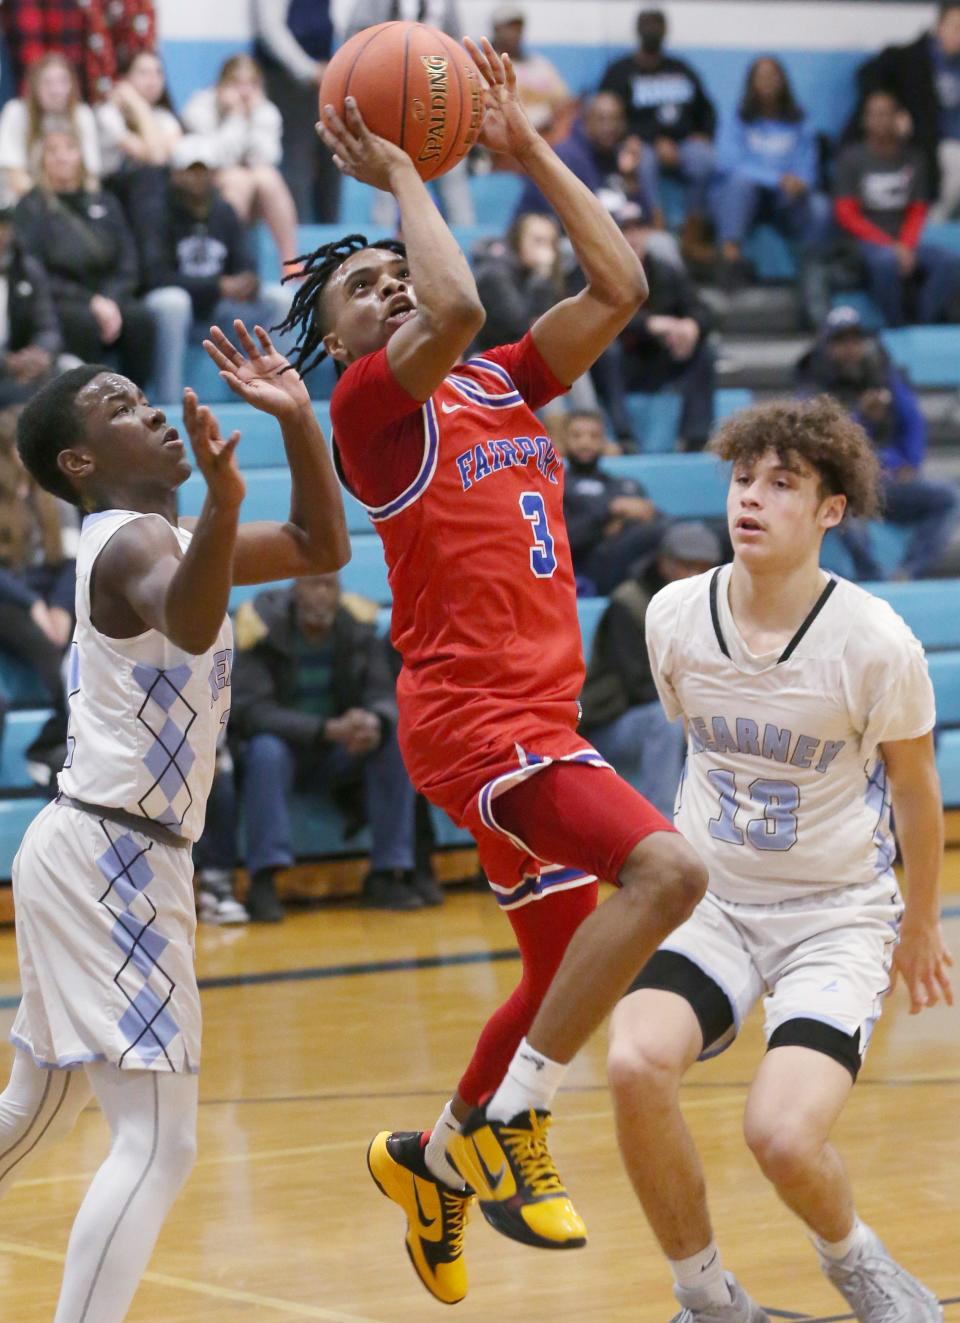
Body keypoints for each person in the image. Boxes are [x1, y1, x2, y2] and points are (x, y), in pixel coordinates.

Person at [292, 37, 706, 1305]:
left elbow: (620, 283)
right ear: (341, 337)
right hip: (478, 719)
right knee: (670, 872)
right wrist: (410, 177)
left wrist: (524, 146)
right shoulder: (372, 410)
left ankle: (430, 1158)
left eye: (389, 273)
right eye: (362, 287)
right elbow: (456, 302)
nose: (387, 290)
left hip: (538, 708)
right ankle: (510, 1121)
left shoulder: (502, 384)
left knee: (553, 967)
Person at [0, 318, 349, 1322]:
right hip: (113, 855)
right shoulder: (130, 543)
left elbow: (326, 546)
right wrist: (232, 494)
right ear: (79, 462)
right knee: (160, 1141)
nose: (150, 407)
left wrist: (297, 423)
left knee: (45, 1104)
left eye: (140, 394)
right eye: (118, 406)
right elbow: (189, 619)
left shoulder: (177, 542)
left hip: (100, 847)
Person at [607, 396, 952, 1323]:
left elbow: (918, 792)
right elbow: (690, 746)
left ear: (831, 510)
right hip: (714, 905)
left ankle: (860, 1262)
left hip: (834, 917)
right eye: (743, 478)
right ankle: (707, 1295)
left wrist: (920, 923)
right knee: (636, 1065)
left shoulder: (876, 642)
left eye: (782, 484)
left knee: (781, 1135)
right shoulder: (677, 614)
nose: (750, 500)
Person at [228, 573, 424, 919]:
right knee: (265, 750)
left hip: (339, 752)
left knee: (392, 739)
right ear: (293, 590)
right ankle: (263, 881)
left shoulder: (356, 628)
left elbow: (382, 693)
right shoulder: (261, 627)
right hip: (287, 750)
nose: (320, 595)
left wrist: (372, 721)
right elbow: (251, 712)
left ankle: (388, 874)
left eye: (328, 586)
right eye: (311, 584)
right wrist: (324, 729)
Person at [796, 304, 959, 580]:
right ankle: (872, 583)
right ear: (826, 346)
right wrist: (862, 417)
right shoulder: (813, 383)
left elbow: (913, 421)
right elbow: (818, 443)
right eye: (840, 341)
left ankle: (908, 574)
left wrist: (912, 461)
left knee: (949, 497)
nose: (850, 348)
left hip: (887, 480)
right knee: (841, 513)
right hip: (841, 485)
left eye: (854, 339)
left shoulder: (882, 374)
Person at [136, 135, 292, 405]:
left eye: (205, 172)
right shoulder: (157, 214)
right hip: (174, 312)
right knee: (174, 302)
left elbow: (246, 264)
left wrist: (247, 282)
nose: (198, 180)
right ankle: (169, 401)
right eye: (190, 172)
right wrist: (217, 286)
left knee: (281, 299)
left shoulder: (225, 212)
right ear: (175, 175)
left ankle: (277, 390)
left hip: (221, 311)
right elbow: (154, 276)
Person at [580, 520, 720, 818]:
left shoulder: (708, 607)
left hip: (678, 717)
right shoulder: (629, 603)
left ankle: (722, 826)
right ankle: (665, 826)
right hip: (613, 725)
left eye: (703, 568)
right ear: (663, 562)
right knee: (666, 718)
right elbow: (639, 687)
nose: (694, 575)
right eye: (686, 565)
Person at [13, 127, 157, 390]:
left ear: (81, 155)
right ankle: (86, 405)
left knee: (140, 318)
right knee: (81, 323)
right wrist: (90, 301)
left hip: (108, 294)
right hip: (60, 298)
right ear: (40, 160)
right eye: (52, 151)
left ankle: (139, 397)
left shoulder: (105, 200)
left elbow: (128, 262)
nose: (62, 157)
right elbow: (32, 269)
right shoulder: (31, 207)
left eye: (69, 149)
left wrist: (110, 299)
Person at [596, 201, 716, 451]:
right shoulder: (595, 270)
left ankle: (695, 435)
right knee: (608, 351)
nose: (633, 236)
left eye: (638, 229)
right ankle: (623, 435)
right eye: (624, 230)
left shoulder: (664, 269)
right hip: (620, 365)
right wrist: (649, 324)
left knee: (705, 349)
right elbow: (596, 318)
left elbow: (701, 308)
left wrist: (691, 326)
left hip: (656, 360)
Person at [344, 0, 476, 227]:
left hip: (438, 93)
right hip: (390, 90)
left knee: (451, 174)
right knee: (388, 175)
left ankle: (466, 244)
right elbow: (355, 38)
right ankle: (383, 245)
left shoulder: (445, 5)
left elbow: (456, 41)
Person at [833, 90, 960, 327]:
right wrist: (891, 246)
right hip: (865, 243)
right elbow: (846, 214)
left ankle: (924, 322)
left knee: (949, 262)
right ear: (865, 120)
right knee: (885, 262)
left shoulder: (913, 158)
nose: (880, 120)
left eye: (886, 114)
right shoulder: (851, 159)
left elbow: (917, 209)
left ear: (898, 118)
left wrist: (906, 245)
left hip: (904, 241)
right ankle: (896, 324)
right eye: (874, 114)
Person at [599, 8, 717, 263]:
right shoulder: (620, 71)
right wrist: (650, 138)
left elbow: (706, 111)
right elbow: (607, 116)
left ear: (666, 30)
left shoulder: (681, 69)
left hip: (682, 145)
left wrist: (702, 136)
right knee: (644, 158)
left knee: (703, 158)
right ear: (637, 29)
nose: (652, 30)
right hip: (640, 143)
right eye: (647, 24)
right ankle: (657, 226)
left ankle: (693, 233)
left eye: (657, 24)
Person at [713, 57, 832, 277]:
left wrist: (800, 182)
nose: (767, 82)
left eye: (772, 77)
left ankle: (814, 272)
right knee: (739, 184)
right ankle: (730, 260)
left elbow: (808, 166)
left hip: (787, 199)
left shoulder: (800, 120)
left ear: (783, 81)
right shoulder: (736, 118)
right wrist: (776, 179)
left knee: (820, 205)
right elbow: (728, 163)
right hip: (749, 197)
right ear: (751, 83)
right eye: (761, 77)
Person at [181, 54, 300, 272]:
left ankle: (290, 261)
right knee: (239, 180)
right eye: (237, 83)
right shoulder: (199, 107)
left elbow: (265, 158)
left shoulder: (265, 111)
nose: (244, 92)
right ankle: (225, 265)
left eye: (251, 84)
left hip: (251, 187)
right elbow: (216, 158)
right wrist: (235, 117)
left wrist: (251, 117)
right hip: (202, 185)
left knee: (268, 178)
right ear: (222, 84)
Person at [851, 1, 960, 220]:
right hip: (926, 141)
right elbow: (866, 76)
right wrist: (896, 112)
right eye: (957, 28)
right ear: (938, 27)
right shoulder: (908, 57)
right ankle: (931, 227)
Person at [252, 0, 340, 222]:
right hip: (284, 78)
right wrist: (307, 69)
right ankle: (298, 242)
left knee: (332, 158)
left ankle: (333, 240)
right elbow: (270, 28)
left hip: (322, 74)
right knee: (295, 163)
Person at [563, 408, 663, 593]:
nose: (585, 442)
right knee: (663, 534)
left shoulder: (624, 485)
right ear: (564, 441)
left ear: (604, 442)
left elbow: (650, 514)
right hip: (588, 568)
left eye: (594, 436)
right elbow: (566, 538)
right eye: (577, 436)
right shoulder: (557, 485)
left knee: (677, 535)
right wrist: (611, 511)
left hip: (633, 564)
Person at [0, 52, 102, 206]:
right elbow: (16, 178)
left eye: (63, 82)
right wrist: (55, 211)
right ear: (34, 86)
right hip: (25, 204)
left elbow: (91, 178)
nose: (56, 91)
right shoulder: (16, 113)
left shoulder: (82, 114)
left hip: (72, 203)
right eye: (47, 83)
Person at [0, 204, 64, 408]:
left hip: (25, 367)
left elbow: (48, 326)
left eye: (4, 226)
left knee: (70, 376)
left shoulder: (27, 269)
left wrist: (40, 353)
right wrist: (6, 363)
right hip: (8, 367)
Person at [488, 5, 574, 143]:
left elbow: (564, 101)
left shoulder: (540, 63)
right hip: (511, 143)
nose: (515, 32)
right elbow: (493, 112)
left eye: (518, 27)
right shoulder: (488, 64)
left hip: (550, 139)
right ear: (496, 29)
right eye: (509, 27)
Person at [95, 50, 183, 183]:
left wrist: (139, 106)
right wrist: (139, 106)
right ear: (124, 79)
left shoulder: (165, 118)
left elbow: (158, 158)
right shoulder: (107, 113)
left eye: (158, 73)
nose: (153, 80)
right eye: (144, 73)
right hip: (109, 188)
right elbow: (154, 158)